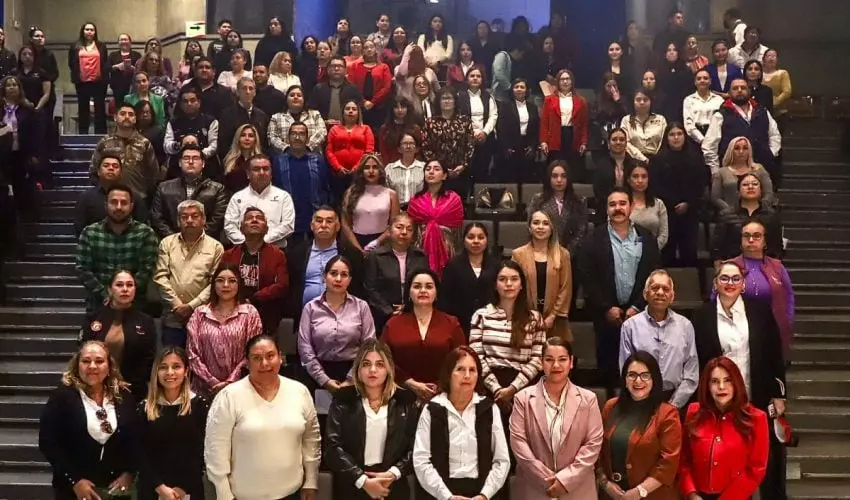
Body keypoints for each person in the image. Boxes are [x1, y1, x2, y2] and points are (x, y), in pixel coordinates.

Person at [692, 261, 788, 500]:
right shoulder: (702, 315)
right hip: (720, 398)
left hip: (757, 393)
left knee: (769, 458)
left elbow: (774, 352)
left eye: (736, 278)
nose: (730, 283)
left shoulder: (759, 311)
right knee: (727, 458)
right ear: (715, 283)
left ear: (743, 284)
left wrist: (779, 394)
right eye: (724, 278)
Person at [205, 335, 320, 500]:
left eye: (270, 356)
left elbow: (311, 439)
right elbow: (215, 449)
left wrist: (311, 480)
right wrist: (224, 493)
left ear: (280, 358)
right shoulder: (229, 396)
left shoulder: (299, 391)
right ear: (247, 363)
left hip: (292, 492)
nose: (265, 363)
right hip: (242, 496)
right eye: (257, 358)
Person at [578, 188, 661, 395]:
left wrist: (638, 306)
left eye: (622, 203)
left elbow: (652, 275)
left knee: (640, 369)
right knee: (608, 372)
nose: (618, 208)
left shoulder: (646, 237)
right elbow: (588, 278)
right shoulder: (592, 239)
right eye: (612, 204)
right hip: (606, 316)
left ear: (631, 207)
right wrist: (607, 308)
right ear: (606, 209)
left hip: (640, 315)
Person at [39, 341, 137, 500]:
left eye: (99, 361)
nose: (92, 366)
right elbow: (47, 442)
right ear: (77, 365)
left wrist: (129, 473)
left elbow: (135, 439)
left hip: (116, 490)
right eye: (86, 361)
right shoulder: (62, 397)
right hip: (73, 491)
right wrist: (75, 480)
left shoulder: (124, 396)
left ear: (109, 366)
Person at [510, 337, 604, 499]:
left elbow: (593, 444)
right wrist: (548, 480)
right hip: (534, 489)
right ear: (541, 363)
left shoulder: (588, 399)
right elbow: (519, 444)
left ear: (571, 362)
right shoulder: (522, 399)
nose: (556, 365)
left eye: (562, 359)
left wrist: (565, 480)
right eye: (549, 359)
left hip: (577, 490)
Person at [412, 345, 510, 499]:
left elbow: (502, 460)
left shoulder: (489, 409)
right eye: (460, 369)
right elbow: (421, 460)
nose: (467, 375)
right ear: (449, 374)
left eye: (472, 370)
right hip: (441, 493)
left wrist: (484, 495)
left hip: (481, 492)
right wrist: (447, 496)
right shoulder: (432, 409)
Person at [325, 338, 418, 500]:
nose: (372, 370)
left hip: (392, 485)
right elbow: (332, 448)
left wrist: (393, 473)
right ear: (358, 369)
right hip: (352, 484)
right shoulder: (343, 399)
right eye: (366, 364)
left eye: (380, 364)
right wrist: (362, 480)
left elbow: (416, 447)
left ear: (388, 369)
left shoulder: (405, 401)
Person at [679, 356, 769, 500]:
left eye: (727, 380)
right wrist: (692, 493)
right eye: (714, 381)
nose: (721, 387)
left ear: (736, 383)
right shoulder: (693, 412)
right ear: (707, 386)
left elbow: (756, 469)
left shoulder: (756, 419)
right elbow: (684, 460)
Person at [598, 351, 682, 500]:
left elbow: (668, 463)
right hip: (611, 495)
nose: (638, 381)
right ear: (625, 380)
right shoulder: (610, 407)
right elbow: (598, 452)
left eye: (645, 375)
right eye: (632, 375)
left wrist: (639, 491)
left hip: (652, 495)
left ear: (654, 379)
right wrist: (605, 484)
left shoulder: (667, 413)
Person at [470, 260, 547, 417]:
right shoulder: (481, 315)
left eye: (514, 279)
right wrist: (496, 389)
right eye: (502, 279)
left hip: (523, 387)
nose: (509, 284)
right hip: (488, 387)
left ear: (521, 285)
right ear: (495, 285)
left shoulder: (535, 318)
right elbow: (476, 357)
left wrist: (513, 388)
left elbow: (537, 359)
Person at [136, 346, 211, 500]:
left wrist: (183, 487)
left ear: (186, 371)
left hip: (190, 489)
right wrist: (160, 488)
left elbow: (203, 451)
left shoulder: (200, 406)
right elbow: (139, 453)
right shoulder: (144, 408)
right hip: (152, 490)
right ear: (156, 372)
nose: (169, 372)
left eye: (176, 366)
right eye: (163, 367)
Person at [619, 270, 698, 409]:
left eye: (666, 289)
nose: (660, 292)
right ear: (645, 294)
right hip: (639, 401)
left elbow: (691, 373)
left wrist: (672, 406)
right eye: (655, 288)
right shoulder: (630, 326)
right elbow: (626, 371)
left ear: (672, 296)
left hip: (675, 402)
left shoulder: (685, 326)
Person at [298, 255, 377, 393]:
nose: (338, 279)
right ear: (324, 277)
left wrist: (351, 379)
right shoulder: (310, 308)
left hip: (356, 373)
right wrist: (324, 380)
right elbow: (305, 349)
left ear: (350, 280)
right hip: (317, 374)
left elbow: (369, 345)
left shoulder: (361, 307)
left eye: (344, 274)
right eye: (333, 273)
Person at [153, 199, 225, 347]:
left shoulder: (216, 247)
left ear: (204, 219)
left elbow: (215, 283)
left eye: (195, 216)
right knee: (172, 358)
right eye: (184, 217)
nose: (189, 220)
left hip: (204, 318)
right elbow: (160, 277)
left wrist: (191, 306)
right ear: (178, 221)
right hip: (172, 317)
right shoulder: (167, 243)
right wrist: (177, 305)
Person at [76, 184, 159, 311]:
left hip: (135, 306)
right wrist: (106, 294)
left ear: (131, 206)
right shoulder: (90, 233)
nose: (119, 207)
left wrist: (125, 293)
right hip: (98, 304)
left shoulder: (145, 233)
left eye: (124, 203)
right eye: (114, 202)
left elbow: (147, 269)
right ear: (106, 205)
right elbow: (83, 269)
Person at [80, 270, 157, 402]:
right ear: (110, 289)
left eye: (130, 285)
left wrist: (126, 384)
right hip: (95, 387)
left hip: (132, 389)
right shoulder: (94, 318)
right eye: (119, 285)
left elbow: (148, 360)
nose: (125, 289)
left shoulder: (145, 321)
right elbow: (82, 354)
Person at [185, 263, 262, 394]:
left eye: (232, 281)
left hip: (241, 389)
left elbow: (253, 352)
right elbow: (192, 353)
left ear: (239, 284)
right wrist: (212, 381)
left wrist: (230, 382)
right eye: (220, 280)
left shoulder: (250, 313)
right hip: (204, 390)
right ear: (213, 284)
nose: (226, 285)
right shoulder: (199, 313)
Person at [285, 206, 364, 320]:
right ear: (312, 226)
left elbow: (358, 288)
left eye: (329, 221)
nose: (323, 225)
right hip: (304, 316)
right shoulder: (297, 253)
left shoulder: (351, 254)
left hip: (342, 317)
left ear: (338, 227)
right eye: (319, 221)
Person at [731, 219, 795, 357]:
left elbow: (789, 296)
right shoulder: (729, 267)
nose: (751, 240)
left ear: (765, 241)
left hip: (772, 332)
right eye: (746, 236)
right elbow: (715, 299)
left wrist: (787, 322)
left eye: (757, 236)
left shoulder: (777, 267)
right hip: (736, 333)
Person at [222, 207, 289, 334]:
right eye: (249, 218)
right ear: (241, 228)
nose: (254, 220)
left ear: (266, 229)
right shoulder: (229, 255)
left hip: (266, 316)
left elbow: (282, 285)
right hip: (232, 313)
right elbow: (221, 282)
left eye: (259, 218)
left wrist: (254, 299)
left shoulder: (277, 255)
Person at [651, 123, 706, 267]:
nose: (676, 138)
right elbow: (655, 185)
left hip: (690, 212)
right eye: (672, 134)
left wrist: (688, 203)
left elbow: (700, 185)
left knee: (689, 252)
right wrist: (671, 204)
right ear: (666, 137)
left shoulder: (696, 159)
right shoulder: (657, 160)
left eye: (679, 134)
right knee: (666, 253)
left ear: (685, 136)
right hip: (666, 212)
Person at [512, 210, 573, 340]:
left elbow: (565, 288)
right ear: (529, 228)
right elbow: (515, 287)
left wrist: (552, 316)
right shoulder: (518, 254)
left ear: (552, 228)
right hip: (525, 319)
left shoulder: (563, 254)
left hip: (555, 321)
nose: (540, 227)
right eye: (536, 223)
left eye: (545, 223)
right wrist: (528, 315)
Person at [364, 213, 429, 329]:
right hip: (383, 316)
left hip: (414, 313)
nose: (404, 232)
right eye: (399, 227)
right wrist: (389, 311)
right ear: (389, 231)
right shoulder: (376, 256)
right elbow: (370, 289)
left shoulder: (420, 256)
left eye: (409, 229)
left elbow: (424, 285)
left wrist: (408, 307)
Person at [150, 144, 228, 239]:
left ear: (203, 163)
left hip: (206, 242)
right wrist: (176, 240)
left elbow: (217, 221)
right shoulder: (163, 188)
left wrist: (198, 238)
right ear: (180, 163)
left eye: (195, 158)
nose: (191, 162)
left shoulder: (217, 189)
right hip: (171, 242)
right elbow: (157, 218)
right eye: (186, 158)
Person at [89, 102, 161, 200]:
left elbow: (154, 174)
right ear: (115, 117)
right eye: (122, 114)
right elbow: (93, 171)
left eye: (130, 114)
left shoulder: (144, 144)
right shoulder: (104, 143)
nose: (127, 117)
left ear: (135, 119)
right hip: (109, 200)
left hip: (138, 199)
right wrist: (104, 191)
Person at [272, 122, 332, 239]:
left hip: (315, 224)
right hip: (286, 224)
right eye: (293, 134)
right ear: (288, 138)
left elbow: (325, 189)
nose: (297, 137)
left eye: (301, 134)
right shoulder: (278, 161)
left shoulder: (318, 160)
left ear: (307, 138)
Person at [439, 223, 499, 338]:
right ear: (464, 240)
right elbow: (444, 299)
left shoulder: (495, 266)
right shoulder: (453, 265)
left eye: (480, 237)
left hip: (489, 325)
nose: (476, 241)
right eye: (471, 237)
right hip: (459, 325)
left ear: (487, 240)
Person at [224, 154, 295, 247]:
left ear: (271, 173)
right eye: (256, 169)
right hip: (243, 250)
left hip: (276, 250)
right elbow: (230, 226)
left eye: (265, 169)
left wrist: (262, 241)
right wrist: (246, 243)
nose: (261, 173)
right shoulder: (237, 197)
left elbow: (288, 226)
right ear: (248, 174)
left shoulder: (283, 196)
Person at [711, 173, 782, 263]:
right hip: (732, 264)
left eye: (755, 184)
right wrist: (719, 265)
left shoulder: (771, 215)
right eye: (745, 184)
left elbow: (777, 246)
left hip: (764, 264)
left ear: (761, 190)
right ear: (738, 191)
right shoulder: (726, 214)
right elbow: (717, 246)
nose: (750, 187)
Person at [75, 155, 149, 236]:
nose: (111, 168)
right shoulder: (86, 197)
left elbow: (142, 227)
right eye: (106, 165)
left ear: (121, 173)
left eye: (115, 166)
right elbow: (80, 229)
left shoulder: (134, 197)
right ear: (98, 171)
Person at [421, 89, 475, 197]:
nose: (446, 101)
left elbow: (470, 145)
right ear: (438, 102)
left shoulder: (465, 121)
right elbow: (426, 147)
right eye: (443, 98)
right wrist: (440, 168)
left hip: (461, 171)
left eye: (449, 98)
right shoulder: (430, 122)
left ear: (455, 101)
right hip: (437, 173)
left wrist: (463, 165)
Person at [341, 153, 399, 252]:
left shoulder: (391, 194)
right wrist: (358, 249)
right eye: (367, 167)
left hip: (382, 242)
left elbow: (394, 224)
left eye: (375, 167)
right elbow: (345, 224)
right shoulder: (350, 193)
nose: (371, 171)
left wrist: (377, 242)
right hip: (355, 242)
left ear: (380, 170)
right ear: (361, 171)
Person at [528, 160, 588, 255]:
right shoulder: (538, 200)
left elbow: (581, 231)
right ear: (549, 178)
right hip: (542, 253)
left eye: (563, 176)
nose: (559, 180)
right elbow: (531, 227)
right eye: (555, 176)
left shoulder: (579, 201)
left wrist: (566, 254)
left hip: (572, 255)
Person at [164, 86, 220, 179]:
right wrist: (178, 145)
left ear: (199, 102)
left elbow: (214, 146)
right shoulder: (173, 122)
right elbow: (166, 146)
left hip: (206, 167)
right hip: (178, 167)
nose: (189, 104)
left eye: (192, 100)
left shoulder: (210, 121)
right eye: (185, 101)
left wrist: (198, 155)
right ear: (180, 104)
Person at [540, 69, 589, 172]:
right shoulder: (549, 100)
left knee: (572, 167)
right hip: (555, 136)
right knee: (555, 166)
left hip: (573, 135)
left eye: (568, 79)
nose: (565, 82)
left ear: (572, 81)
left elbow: (584, 124)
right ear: (558, 82)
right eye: (562, 79)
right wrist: (543, 141)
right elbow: (544, 122)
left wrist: (584, 142)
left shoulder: (581, 100)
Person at [326, 100, 376, 202]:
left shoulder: (366, 129)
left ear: (358, 113)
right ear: (343, 113)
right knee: (339, 201)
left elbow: (369, 151)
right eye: (347, 109)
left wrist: (357, 168)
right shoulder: (334, 129)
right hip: (338, 174)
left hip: (360, 173)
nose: (350, 111)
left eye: (354, 109)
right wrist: (338, 167)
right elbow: (329, 151)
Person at [458, 66, 499, 187]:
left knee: (483, 170)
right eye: (472, 76)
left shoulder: (488, 96)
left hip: (485, 139)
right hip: (465, 139)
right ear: (467, 79)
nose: (475, 78)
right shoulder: (460, 96)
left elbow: (493, 115)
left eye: (478, 76)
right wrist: (472, 133)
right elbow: (459, 116)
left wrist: (485, 132)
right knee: (466, 172)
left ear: (482, 79)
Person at [711, 136, 775, 211]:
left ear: (749, 151)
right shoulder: (721, 172)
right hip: (729, 214)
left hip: (757, 213)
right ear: (731, 151)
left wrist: (761, 207)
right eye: (737, 148)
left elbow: (768, 193)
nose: (741, 151)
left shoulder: (759, 169)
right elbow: (715, 197)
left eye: (745, 148)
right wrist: (728, 209)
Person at [495, 78, 541, 183]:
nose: (519, 89)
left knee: (527, 179)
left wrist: (533, 146)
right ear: (512, 90)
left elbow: (536, 128)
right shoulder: (505, 106)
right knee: (510, 179)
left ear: (526, 90)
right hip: (511, 148)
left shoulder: (533, 107)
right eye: (516, 87)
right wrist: (506, 147)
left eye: (522, 87)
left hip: (527, 147)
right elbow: (500, 128)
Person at [68, 22, 109, 134]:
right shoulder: (75, 46)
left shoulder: (101, 46)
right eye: (87, 29)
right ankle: (83, 135)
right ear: (83, 31)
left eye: (92, 30)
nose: (89, 32)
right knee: (83, 109)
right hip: (82, 82)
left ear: (95, 32)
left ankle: (100, 135)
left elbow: (105, 63)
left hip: (99, 82)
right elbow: (71, 63)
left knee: (99, 109)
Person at [217, 77, 269, 159]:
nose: (248, 92)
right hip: (233, 160)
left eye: (251, 89)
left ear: (254, 92)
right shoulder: (226, 114)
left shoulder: (262, 115)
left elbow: (264, 142)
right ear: (237, 92)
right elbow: (223, 143)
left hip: (257, 160)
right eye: (244, 88)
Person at [349, 39, 394, 131]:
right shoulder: (355, 66)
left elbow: (387, 87)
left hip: (379, 106)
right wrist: (363, 101)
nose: (369, 49)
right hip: (359, 105)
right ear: (362, 50)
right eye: (366, 48)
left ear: (375, 49)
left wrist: (373, 102)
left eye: (371, 47)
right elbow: (352, 85)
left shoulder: (383, 67)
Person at [269, 85, 327, 154]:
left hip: (312, 154)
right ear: (286, 99)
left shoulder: (315, 114)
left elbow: (322, 132)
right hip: (285, 155)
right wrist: (287, 149)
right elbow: (272, 137)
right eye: (292, 95)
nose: (295, 97)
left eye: (299, 95)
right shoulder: (276, 117)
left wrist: (308, 147)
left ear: (304, 99)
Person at [592, 128, 638, 214]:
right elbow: (598, 191)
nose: (618, 142)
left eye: (622, 139)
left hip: (633, 208)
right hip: (607, 209)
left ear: (626, 143)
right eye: (614, 139)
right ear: (608, 144)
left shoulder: (634, 164)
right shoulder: (601, 165)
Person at [308, 56, 362, 124]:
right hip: (322, 127)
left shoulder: (353, 90)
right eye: (333, 66)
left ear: (345, 70)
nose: (336, 69)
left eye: (340, 66)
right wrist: (323, 122)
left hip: (346, 128)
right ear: (328, 70)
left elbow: (359, 113)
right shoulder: (318, 89)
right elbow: (311, 111)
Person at [626, 163, 669, 250]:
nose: (640, 180)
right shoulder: (621, 203)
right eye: (635, 176)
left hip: (653, 252)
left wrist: (651, 251)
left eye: (644, 176)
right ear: (628, 180)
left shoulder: (658, 204)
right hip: (626, 252)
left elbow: (663, 235)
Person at [620, 89, 668, 163]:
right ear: (633, 102)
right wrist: (643, 159)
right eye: (638, 100)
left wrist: (656, 159)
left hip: (658, 160)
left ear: (651, 102)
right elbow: (626, 143)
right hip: (634, 160)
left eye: (645, 100)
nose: (642, 102)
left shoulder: (661, 119)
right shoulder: (626, 120)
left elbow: (664, 141)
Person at [683, 69, 723, 146]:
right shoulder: (688, 100)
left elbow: (721, 122)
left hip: (716, 139)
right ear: (695, 82)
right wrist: (702, 140)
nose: (702, 80)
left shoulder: (719, 100)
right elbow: (688, 124)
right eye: (699, 79)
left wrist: (712, 140)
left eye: (705, 78)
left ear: (710, 81)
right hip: (695, 139)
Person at [378, 96, 422, 165]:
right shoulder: (385, 129)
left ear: (408, 109)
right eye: (396, 107)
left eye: (403, 107)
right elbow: (383, 151)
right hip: (391, 165)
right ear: (392, 109)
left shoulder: (415, 129)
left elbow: (418, 151)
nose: (400, 110)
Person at [385, 132, 425, 206]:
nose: (408, 146)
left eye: (412, 143)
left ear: (417, 149)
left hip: (419, 209)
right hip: (396, 210)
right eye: (405, 143)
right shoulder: (390, 168)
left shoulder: (424, 168)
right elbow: (385, 193)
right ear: (399, 149)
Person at [656, 43, 692, 123]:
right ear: (665, 54)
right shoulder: (659, 69)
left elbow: (689, 88)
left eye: (674, 50)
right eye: (669, 50)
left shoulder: (686, 69)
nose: (671, 52)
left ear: (678, 53)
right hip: (664, 105)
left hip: (682, 104)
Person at [222, 123, 263, 194]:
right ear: (238, 139)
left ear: (255, 140)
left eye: (251, 136)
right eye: (243, 135)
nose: (247, 138)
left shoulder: (262, 161)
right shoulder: (228, 161)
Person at [106, 34, 141, 108]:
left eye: (125, 39)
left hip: (133, 85)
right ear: (118, 42)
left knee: (133, 106)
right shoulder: (113, 55)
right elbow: (107, 68)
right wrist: (117, 66)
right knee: (119, 107)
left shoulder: (137, 55)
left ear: (130, 42)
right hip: (117, 86)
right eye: (121, 40)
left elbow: (141, 69)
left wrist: (133, 68)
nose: (123, 41)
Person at [417, 14, 455, 80]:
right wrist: (429, 63)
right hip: (426, 66)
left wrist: (437, 63)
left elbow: (449, 54)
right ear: (430, 23)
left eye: (440, 22)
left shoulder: (448, 38)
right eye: (435, 21)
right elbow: (420, 51)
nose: (437, 24)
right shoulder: (422, 37)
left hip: (442, 67)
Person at [491, 37, 527, 103]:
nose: (521, 57)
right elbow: (498, 73)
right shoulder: (502, 56)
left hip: (509, 96)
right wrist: (510, 88)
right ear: (516, 51)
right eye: (522, 54)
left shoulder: (516, 62)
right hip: (499, 95)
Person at [762, 49, 793, 123]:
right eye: (769, 56)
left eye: (774, 56)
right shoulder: (759, 74)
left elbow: (787, 92)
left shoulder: (782, 73)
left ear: (777, 60)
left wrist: (774, 103)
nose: (771, 58)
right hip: (761, 112)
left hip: (779, 113)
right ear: (763, 59)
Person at [134, 99, 166, 167]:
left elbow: (161, 155)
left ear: (152, 113)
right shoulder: (131, 129)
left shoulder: (158, 131)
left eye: (147, 112)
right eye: (142, 112)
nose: (145, 115)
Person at [621, 21, 652, 92]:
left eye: (636, 28)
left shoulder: (645, 48)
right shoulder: (622, 48)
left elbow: (649, 66)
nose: (633, 31)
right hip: (625, 85)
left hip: (642, 84)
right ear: (627, 32)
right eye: (630, 28)